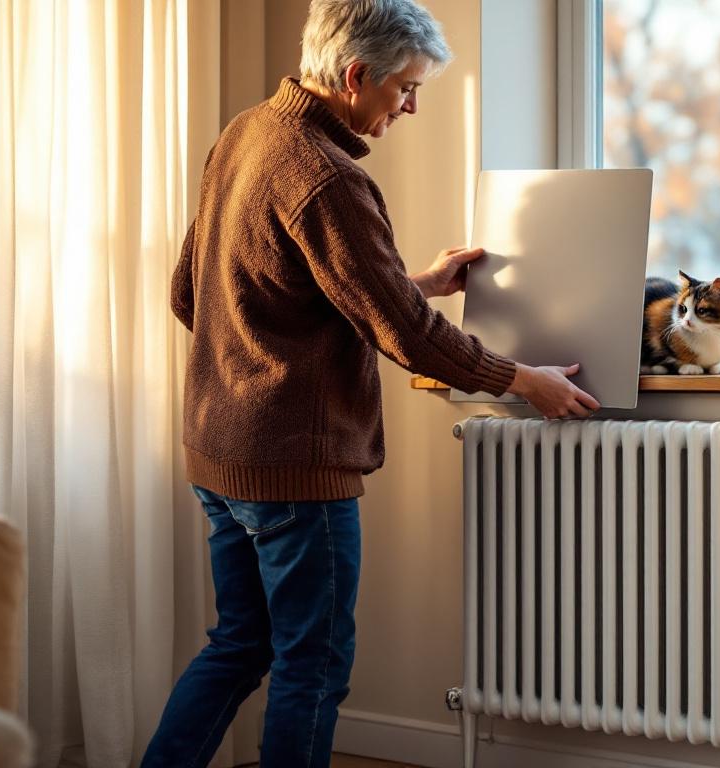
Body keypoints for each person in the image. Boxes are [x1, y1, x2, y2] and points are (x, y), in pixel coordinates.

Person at [141, 1, 598, 765]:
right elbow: (408, 337)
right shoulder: (327, 176)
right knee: (312, 668)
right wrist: (524, 380)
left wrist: (411, 281)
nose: (412, 107)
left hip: (220, 455)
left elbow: (197, 293)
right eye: (407, 89)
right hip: (293, 469)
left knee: (238, 646)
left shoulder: (246, 135)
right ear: (356, 77)